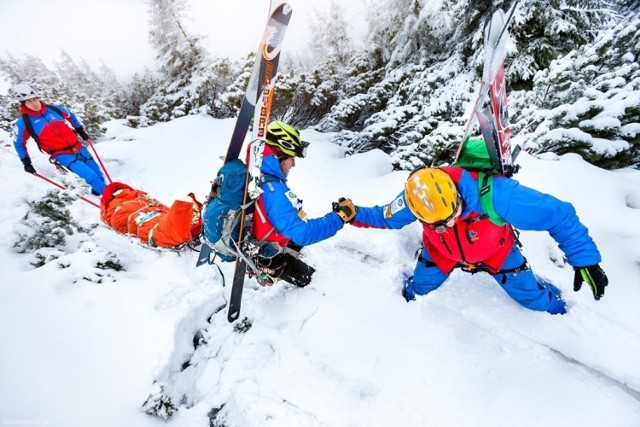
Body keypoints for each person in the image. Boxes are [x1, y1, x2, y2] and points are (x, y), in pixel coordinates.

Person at [350, 165, 609, 314]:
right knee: (417, 292)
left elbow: (558, 214)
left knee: (535, 301)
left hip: (497, 251)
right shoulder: (415, 198)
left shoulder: (497, 194)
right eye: (436, 224)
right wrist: (352, 214)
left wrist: (585, 261)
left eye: (451, 217)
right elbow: (385, 216)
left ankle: (564, 314)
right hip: (440, 253)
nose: (447, 225)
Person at [249, 121, 357, 287]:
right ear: (278, 155)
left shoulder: (257, 173)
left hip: (266, 239)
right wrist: (339, 218)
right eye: (291, 158)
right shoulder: (275, 192)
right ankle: (273, 273)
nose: (294, 164)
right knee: (316, 283)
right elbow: (304, 234)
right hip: (270, 256)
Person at [11, 82, 107, 196]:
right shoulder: (23, 123)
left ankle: (99, 193)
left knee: (99, 175)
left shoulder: (54, 109)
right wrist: (26, 162)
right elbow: (18, 143)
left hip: (78, 146)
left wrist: (80, 130)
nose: (34, 103)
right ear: (23, 104)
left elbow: (70, 115)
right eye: (29, 101)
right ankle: (113, 198)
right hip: (61, 154)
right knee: (90, 176)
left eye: (34, 99)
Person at [100, 182, 202, 249]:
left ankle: (182, 220)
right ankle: (185, 219)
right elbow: (118, 221)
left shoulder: (136, 195)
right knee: (156, 226)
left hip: (149, 214)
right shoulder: (136, 196)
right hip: (139, 214)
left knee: (157, 222)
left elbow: (112, 220)